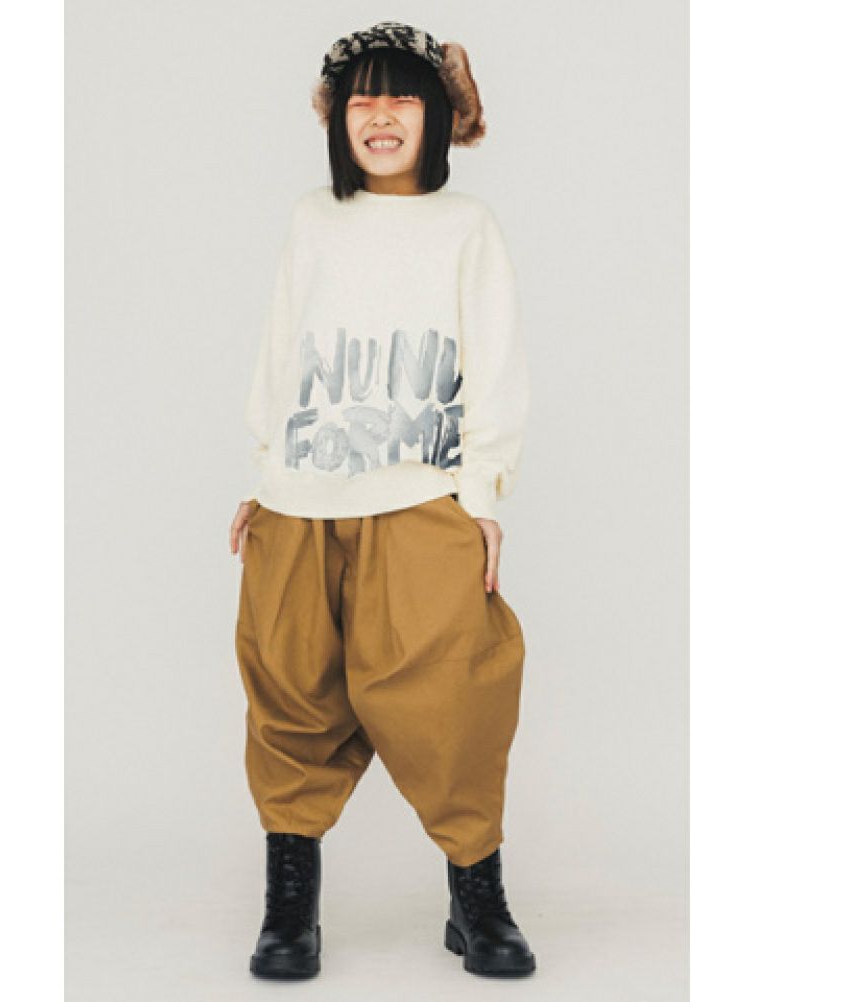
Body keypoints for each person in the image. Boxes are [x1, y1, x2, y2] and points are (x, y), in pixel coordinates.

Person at [228, 20, 535, 979]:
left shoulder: (465, 227)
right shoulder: (312, 219)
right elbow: (283, 348)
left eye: (403, 94)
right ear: (337, 119)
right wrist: (263, 476)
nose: (381, 113)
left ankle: (476, 897)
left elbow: (494, 360)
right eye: (362, 97)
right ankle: (290, 905)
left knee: (453, 692)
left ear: (440, 114)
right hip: (301, 498)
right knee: (290, 692)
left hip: (420, 493)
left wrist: (483, 495)